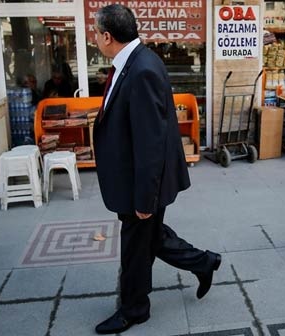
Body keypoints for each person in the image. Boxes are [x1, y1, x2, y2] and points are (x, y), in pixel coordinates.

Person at [91, 5, 221, 334]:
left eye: (96, 33)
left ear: (108, 36)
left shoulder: (142, 69)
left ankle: (134, 309)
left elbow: (150, 142)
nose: (95, 40)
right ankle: (204, 262)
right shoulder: (132, 63)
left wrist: (144, 199)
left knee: (137, 243)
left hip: (141, 181)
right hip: (134, 177)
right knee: (151, 238)